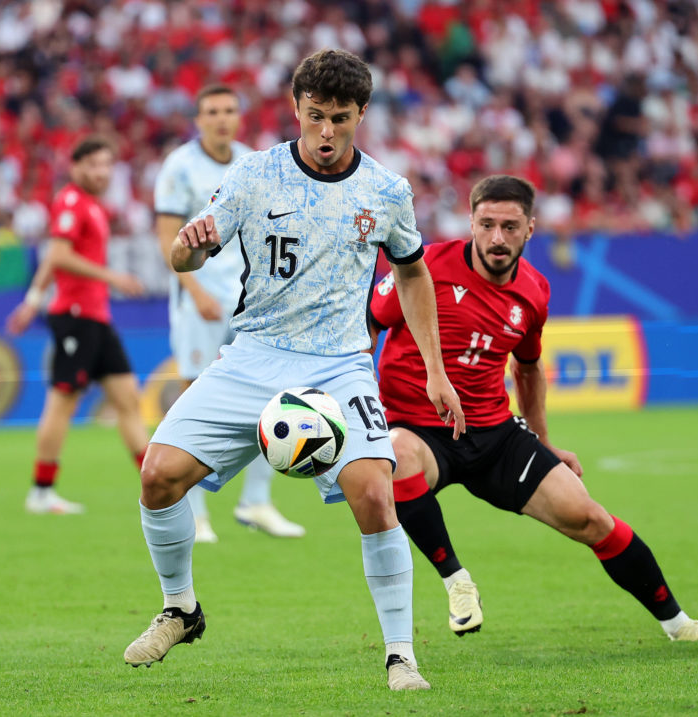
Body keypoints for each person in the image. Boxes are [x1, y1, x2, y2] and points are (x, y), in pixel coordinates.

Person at [122, 49, 465, 691]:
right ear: (295, 108)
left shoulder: (387, 190)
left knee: (372, 491)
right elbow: (186, 255)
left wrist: (435, 369)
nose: (327, 133)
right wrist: (184, 251)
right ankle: (180, 608)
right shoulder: (255, 175)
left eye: (340, 118)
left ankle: (400, 654)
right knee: (159, 476)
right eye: (315, 117)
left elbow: (413, 272)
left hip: (338, 365)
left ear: (362, 112)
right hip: (253, 354)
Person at [369, 174, 698, 644]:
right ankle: (456, 581)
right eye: (486, 225)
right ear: (470, 223)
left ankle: (679, 625)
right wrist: (362, 400)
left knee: (590, 518)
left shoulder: (534, 292)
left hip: (494, 435)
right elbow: (367, 324)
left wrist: (545, 444)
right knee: (397, 453)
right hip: (420, 428)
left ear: (530, 228)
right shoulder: (424, 267)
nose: (497, 238)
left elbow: (528, 369)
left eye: (509, 226)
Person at [153, 84, 304, 542]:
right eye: (212, 111)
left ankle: (256, 502)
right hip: (200, 301)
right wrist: (194, 288)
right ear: (198, 119)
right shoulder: (179, 166)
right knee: (192, 398)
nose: (222, 118)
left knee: (270, 397)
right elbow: (167, 238)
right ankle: (194, 512)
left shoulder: (250, 163)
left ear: (240, 117)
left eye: (230, 110)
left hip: (250, 302)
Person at [7, 137, 149, 515]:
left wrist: (31, 302)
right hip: (75, 315)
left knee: (128, 400)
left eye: (106, 165)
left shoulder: (93, 206)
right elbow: (57, 255)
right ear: (76, 168)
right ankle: (40, 491)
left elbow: (54, 261)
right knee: (63, 402)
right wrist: (113, 277)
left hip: (96, 318)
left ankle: (157, 484)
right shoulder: (71, 201)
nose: (100, 172)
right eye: (93, 165)